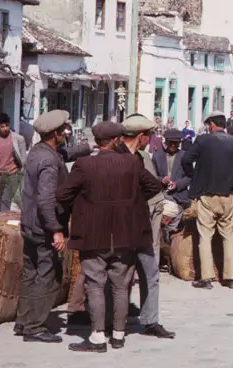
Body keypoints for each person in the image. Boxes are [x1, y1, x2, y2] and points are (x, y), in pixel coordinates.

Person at [56, 121, 164, 352]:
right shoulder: (132, 163)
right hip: (126, 235)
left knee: (95, 284)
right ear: (116, 141)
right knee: (121, 286)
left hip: (93, 235)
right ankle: (118, 335)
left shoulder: (84, 165)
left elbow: (63, 194)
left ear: (96, 142)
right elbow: (154, 186)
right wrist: (131, 202)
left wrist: (83, 205)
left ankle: (97, 337)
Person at [181, 109, 233, 289]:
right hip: (229, 196)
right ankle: (231, 278)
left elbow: (186, 159)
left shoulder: (203, 141)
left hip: (207, 196)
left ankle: (206, 278)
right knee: (228, 237)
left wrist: (195, 176)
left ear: (211, 124)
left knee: (205, 237)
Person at [115, 114, 176, 339]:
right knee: (120, 275)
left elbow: (152, 187)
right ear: (140, 136)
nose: (150, 140)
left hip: (143, 223)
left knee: (150, 272)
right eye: (148, 136)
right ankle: (116, 321)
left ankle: (150, 320)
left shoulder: (143, 158)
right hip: (122, 226)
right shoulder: (116, 156)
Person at [14, 109, 71, 343]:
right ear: (55, 134)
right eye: (64, 130)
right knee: (47, 275)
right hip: (43, 227)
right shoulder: (48, 160)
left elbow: (62, 156)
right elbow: (46, 199)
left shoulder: (37, 152)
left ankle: (23, 321)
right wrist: (56, 229)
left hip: (29, 224)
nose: (67, 132)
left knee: (30, 273)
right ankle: (35, 326)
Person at [152, 129, 191, 247]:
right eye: (170, 143)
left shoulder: (185, 156)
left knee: (174, 218)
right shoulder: (157, 155)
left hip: (179, 196)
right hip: (161, 194)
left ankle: (169, 240)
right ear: (165, 142)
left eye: (176, 143)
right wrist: (161, 180)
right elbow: (151, 176)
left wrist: (177, 184)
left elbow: (190, 176)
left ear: (180, 143)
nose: (173, 146)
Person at [0, 113, 28, 213]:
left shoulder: (18, 139)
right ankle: (3, 219)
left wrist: (20, 171)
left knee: (6, 200)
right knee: (0, 200)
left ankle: (3, 221)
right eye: (2, 126)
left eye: (7, 126)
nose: (5, 128)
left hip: (12, 174)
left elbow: (24, 156)